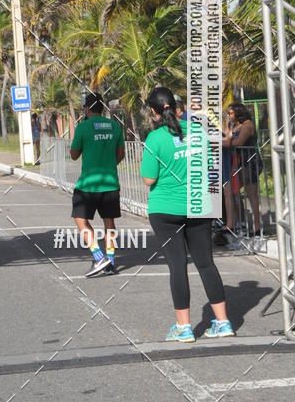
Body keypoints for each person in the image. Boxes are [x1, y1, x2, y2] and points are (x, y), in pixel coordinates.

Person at [141, 86, 235, 343]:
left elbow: (149, 179)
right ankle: (223, 322)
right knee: (205, 262)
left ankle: (184, 328)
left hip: (165, 209)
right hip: (198, 206)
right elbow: (209, 166)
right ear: (175, 105)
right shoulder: (198, 131)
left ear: (153, 111)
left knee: (177, 265)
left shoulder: (155, 139)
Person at [70, 92, 125, 276]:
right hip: (110, 182)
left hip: (88, 184)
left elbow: (74, 154)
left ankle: (98, 255)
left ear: (87, 108)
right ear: (102, 108)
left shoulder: (83, 127)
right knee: (109, 222)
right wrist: (107, 165)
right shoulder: (115, 127)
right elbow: (121, 154)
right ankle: (110, 262)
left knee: (80, 219)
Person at [222, 103, 262, 236]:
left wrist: (221, 143)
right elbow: (227, 138)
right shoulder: (234, 126)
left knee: (251, 195)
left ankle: (257, 227)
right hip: (238, 164)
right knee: (230, 191)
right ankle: (235, 223)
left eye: (230, 113)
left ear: (238, 113)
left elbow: (239, 142)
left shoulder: (247, 125)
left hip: (249, 163)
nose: (229, 115)